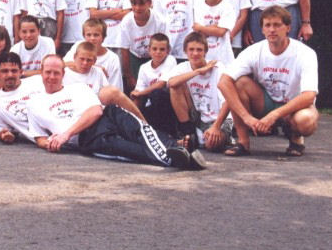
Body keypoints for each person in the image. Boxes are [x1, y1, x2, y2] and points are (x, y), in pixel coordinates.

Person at [26, 55, 205, 169]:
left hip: (107, 116)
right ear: (41, 73)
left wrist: (65, 135)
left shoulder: (78, 88)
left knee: (142, 132)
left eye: (56, 73)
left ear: (63, 74)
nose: (51, 77)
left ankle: (177, 151)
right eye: (48, 72)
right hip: (89, 139)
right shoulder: (34, 104)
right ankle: (180, 156)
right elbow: (39, 137)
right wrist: (50, 143)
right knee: (133, 151)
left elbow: (95, 112)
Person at [218, 5, 319, 157]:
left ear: (288, 28)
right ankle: (243, 142)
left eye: (277, 25)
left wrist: (275, 115)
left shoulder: (305, 53)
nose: (272, 30)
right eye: (268, 25)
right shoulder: (254, 51)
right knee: (239, 83)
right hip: (265, 103)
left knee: (306, 120)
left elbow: (309, 96)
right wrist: (247, 118)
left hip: (293, 107)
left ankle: (295, 139)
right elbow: (223, 82)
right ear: (262, 29)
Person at [166, 32, 232, 152]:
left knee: (211, 144)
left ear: (205, 51)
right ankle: (188, 133)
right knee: (176, 85)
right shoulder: (182, 67)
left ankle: (215, 138)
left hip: (218, 119)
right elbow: (171, 83)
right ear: (185, 51)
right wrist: (198, 71)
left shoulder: (218, 67)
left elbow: (228, 100)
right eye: (191, 49)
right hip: (197, 116)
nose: (195, 53)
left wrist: (216, 127)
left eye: (199, 50)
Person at [0, 53, 46, 143]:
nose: (10, 75)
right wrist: (4, 135)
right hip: (45, 141)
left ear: (21, 71)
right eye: (5, 71)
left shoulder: (38, 81)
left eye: (14, 71)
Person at [120, 0, 167, 90]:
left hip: (155, 57)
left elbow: (164, 46)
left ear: (149, 3)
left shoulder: (159, 20)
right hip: (135, 56)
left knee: (155, 88)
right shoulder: (126, 22)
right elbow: (124, 50)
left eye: (141, 4)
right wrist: (128, 75)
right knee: (135, 88)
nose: (137, 8)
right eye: (134, 4)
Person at [130, 33, 177, 136]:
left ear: (168, 50)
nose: (158, 52)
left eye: (162, 49)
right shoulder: (144, 67)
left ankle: (167, 133)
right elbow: (138, 92)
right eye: (154, 49)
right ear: (149, 49)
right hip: (151, 107)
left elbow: (162, 84)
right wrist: (132, 113)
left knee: (157, 93)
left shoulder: (170, 60)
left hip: (169, 106)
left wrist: (141, 93)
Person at [63, 18, 123, 91]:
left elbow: (115, 88)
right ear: (84, 36)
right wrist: (93, 67)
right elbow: (62, 64)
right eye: (88, 35)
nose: (92, 38)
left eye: (96, 35)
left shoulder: (112, 58)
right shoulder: (78, 46)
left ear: (103, 37)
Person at [192, 0, 236, 65]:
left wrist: (202, 28)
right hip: (205, 56)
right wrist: (215, 27)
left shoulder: (227, 7)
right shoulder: (198, 6)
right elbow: (199, 31)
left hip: (223, 57)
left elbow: (221, 32)